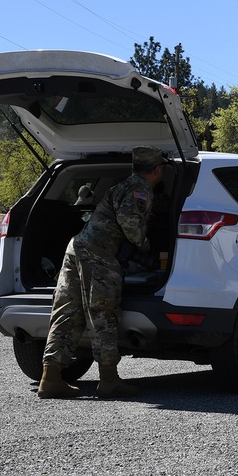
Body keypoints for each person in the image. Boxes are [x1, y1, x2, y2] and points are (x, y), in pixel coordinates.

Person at [37, 145, 167, 400]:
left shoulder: (119, 186)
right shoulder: (140, 189)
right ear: (157, 169)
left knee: (67, 312)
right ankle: (109, 380)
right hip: (98, 254)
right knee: (103, 312)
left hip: (76, 248)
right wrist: (146, 244)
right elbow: (131, 225)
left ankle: (50, 378)